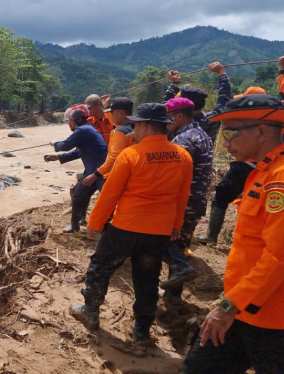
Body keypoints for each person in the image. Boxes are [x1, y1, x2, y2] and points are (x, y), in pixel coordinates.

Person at [183, 94, 284, 374]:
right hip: (242, 307)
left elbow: (279, 255)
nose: (225, 143)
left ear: (261, 131)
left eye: (231, 133)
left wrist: (228, 306)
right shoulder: (262, 172)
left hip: (275, 320)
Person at [70, 103, 193, 343]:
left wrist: (95, 223)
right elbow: (182, 195)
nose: (133, 130)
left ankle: (91, 312)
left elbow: (110, 194)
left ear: (145, 125)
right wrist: (176, 225)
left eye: (135, 125)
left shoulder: (131, 154)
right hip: (159, 231)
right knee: (147, 279)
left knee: (100, 267)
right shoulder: (183, 156)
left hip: (126, 227)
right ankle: (142, 331)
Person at [196, 87, 266, 244]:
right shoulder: (271, 120)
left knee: (222, 195)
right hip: (258, 165)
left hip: (245, 165)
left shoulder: (250, 121)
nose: (226, 144)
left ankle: (211, 236)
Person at [160, 98, 213, 303]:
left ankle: (174, 290)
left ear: (179, 116)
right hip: (196, 201)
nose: (165, 122)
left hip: (183, 202)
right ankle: (173, 294)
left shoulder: (183, 140)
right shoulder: (201, 134)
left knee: (166, 242)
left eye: (168, 118)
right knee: (181, 244)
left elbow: (173, 176)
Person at [44, 105, 108, 233]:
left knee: (108, 201)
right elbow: (77, 152)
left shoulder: (83, 130)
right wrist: (57, 157)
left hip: (102, 173)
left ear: (78, 119)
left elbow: (65, 145)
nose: (68, 123)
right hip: (92, 172)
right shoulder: (85, 130)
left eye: (69, 120)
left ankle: (110, 230)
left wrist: (55, 143)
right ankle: (75, 225)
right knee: (78, 196)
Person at [164, 62, 232, 144]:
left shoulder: (176, 122)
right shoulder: (212, 120)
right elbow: (224, 97)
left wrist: (175, 84)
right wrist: (221, 73)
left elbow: (165, 108)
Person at [81, 97, 136, 187]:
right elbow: (115, 124)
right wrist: (106, 106)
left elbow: (114, 158)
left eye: (112, 113)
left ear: (120, 113)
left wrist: (96, 174)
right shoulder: (136, 127)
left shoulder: (119, 132)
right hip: (132, 172)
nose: (111, 116)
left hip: (118, 173)